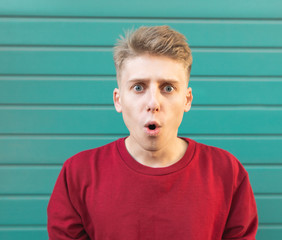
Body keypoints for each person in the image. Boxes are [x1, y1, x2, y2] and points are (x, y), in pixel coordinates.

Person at [47, 25, 258, 240]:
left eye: (167, 88)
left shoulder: (227, 172)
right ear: (118, 100)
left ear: (187, 99)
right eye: (138, 87)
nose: (153, 103)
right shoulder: (77, 174)